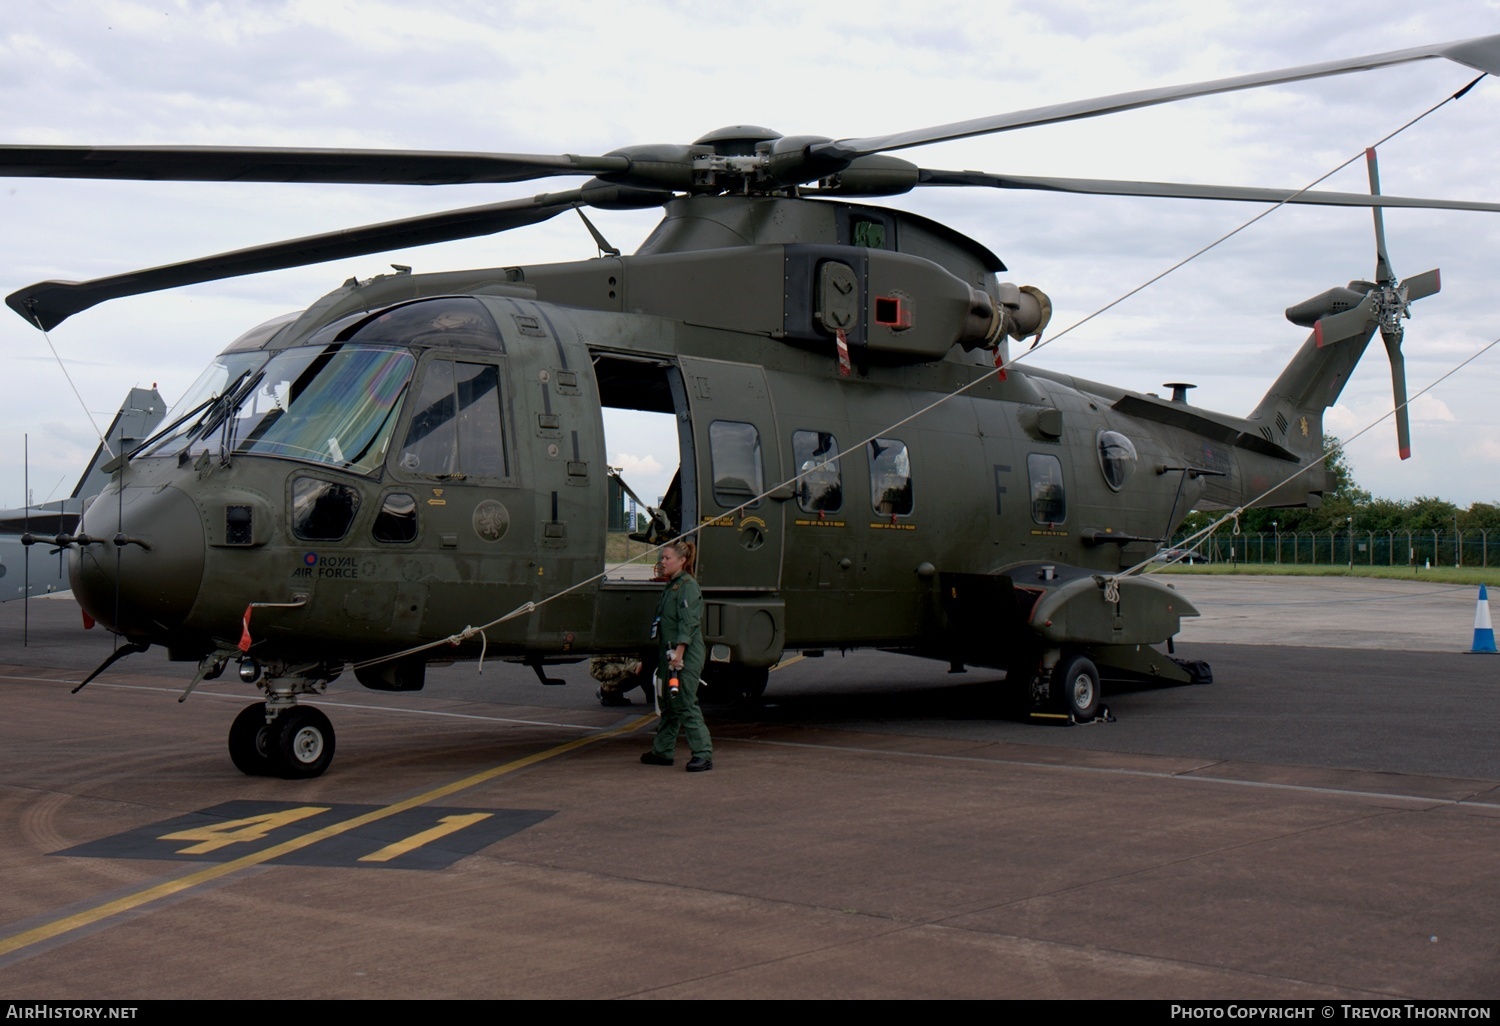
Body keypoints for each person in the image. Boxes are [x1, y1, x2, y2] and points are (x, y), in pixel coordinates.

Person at [640, 539, 713, 772]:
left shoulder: (687, 586)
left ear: (682, 560)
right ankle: (662, 751)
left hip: (684, 654)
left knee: (684, 702)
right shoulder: (673, 585)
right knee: (668, 704)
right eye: (662, 558)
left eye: (667, 558)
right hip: (670, 653)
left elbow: (689, 622)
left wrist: (679, 653)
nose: (662, 562)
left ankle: (703, 754)